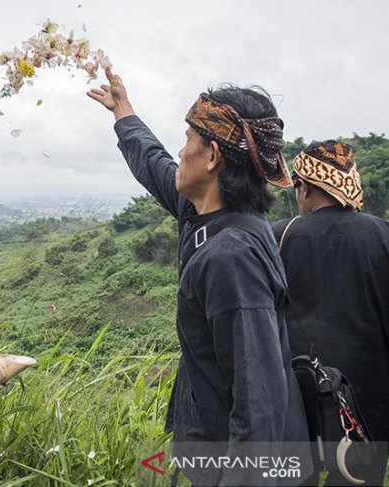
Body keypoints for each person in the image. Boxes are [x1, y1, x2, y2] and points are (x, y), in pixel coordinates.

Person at [88, 69, 310, 485]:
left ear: (212, 157)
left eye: (188, 139)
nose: (180, 150)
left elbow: (258, 400)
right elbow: (157, 166)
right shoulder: (220, 219)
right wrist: (123, 113)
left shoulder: (231, 257)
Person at [273, 141, 389, 486]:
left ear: (304, 187)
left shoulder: (278, 237)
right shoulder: (383, 235)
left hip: (296, 405)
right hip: (367, 413)